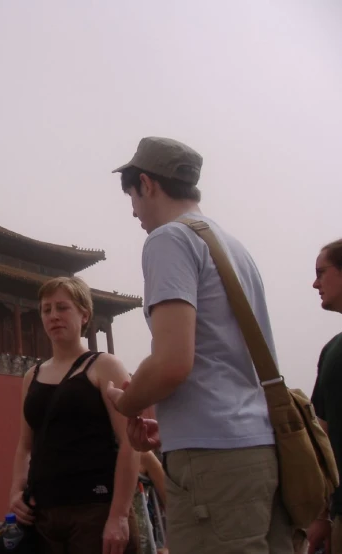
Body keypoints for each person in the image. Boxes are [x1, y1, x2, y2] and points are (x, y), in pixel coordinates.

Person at [105, 137, 294, 553]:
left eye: (132, 195)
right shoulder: (232, 246)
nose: (133, 210)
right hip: (258, 450)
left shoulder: (168, 240)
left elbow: (173, 362)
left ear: (148, 185)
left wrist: (127, 401)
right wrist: (175, 423)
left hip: (214, 462)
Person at [9, 276, 140, 554]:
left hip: (95, 509)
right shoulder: (32, 376)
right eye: (46, 310)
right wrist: (16, 491)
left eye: (62, 308)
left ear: (84, 315)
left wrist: (118, 515)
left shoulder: (105, 366)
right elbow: (25, 445)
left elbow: (130, 442)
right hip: (43, 513)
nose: (53, 316)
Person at [307, 238, 342, 554]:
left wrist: (321, 515)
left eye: (322, 272)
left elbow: (322, 439)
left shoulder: (334, 353)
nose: (315, 283)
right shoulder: (331, 351)